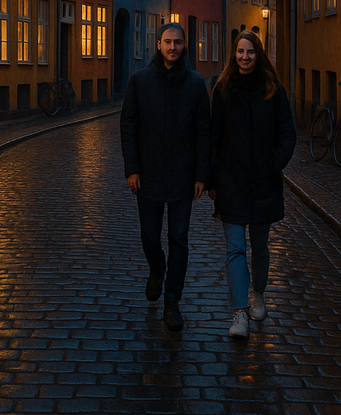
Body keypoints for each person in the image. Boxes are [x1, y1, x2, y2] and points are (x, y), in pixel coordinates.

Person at [120, 22, 211, 331]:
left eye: (178, 42)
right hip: (148, 175)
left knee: (179, 240)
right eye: (167, 42)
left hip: (183, 177)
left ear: (185, 46)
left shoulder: (195, 83)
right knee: (149, 237)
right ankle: (157, 269)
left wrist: (202, 175)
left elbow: (203, 132)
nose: (173, 47)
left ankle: (172, 302)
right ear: (158, 45)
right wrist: (132, 168)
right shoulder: (140, 81)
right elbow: (128, 127)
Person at [210, 30, 296, 340]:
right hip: (231, 183)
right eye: (240, 52)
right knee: (235, 249)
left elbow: (288, 134)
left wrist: (272, 164)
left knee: (259, 247)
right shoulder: (222, 90)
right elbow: (214, 138)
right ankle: (239, 314)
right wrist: (213, 179)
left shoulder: (273, 90)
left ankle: (258, 293)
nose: (245, 57)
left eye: (250, 52)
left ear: (258, 55)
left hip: (264, 184)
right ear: (234, 55)